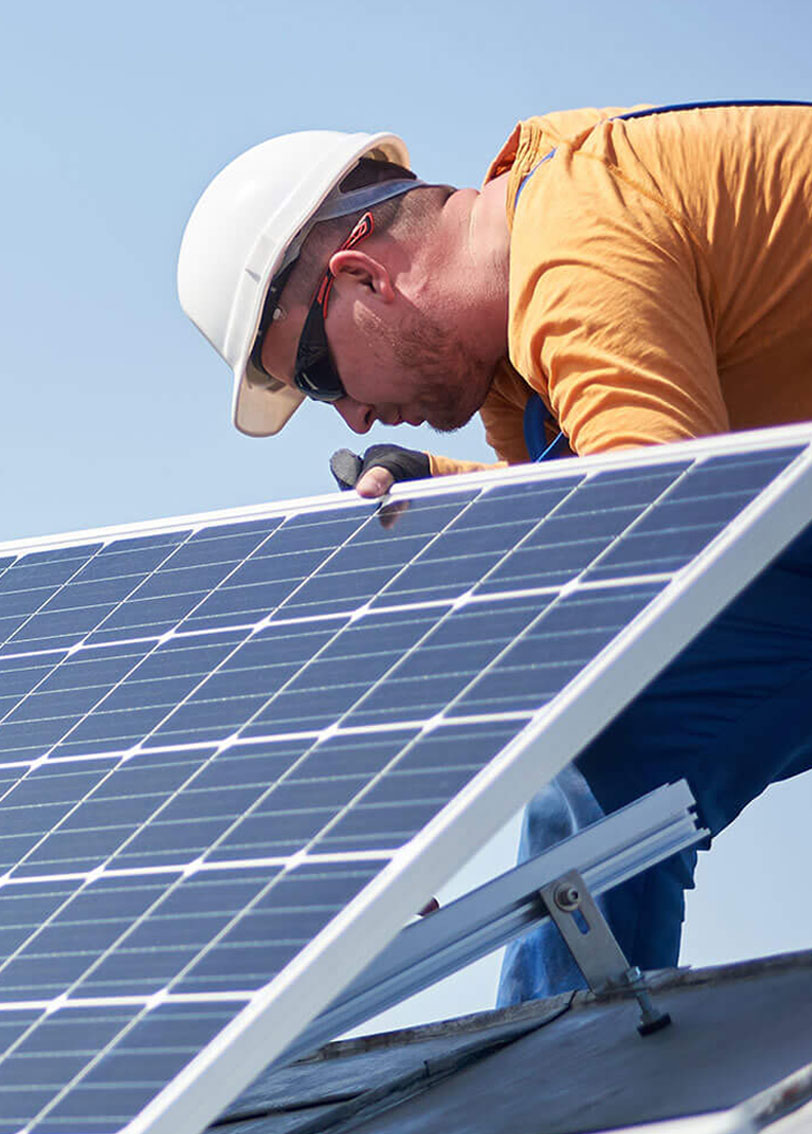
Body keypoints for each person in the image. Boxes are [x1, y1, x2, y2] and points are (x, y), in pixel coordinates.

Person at [177, 104, 812, 1003]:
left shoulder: (575, 242)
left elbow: (665, 542)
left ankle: (571, 1086)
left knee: (609, 731)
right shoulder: (521, 370)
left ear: (360, 274)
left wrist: (405, 788)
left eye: (318, 377)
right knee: (616, 759)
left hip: (758, 529)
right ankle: (576, 1087)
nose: (353, 418)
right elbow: (591, 537)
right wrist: (451, 497)